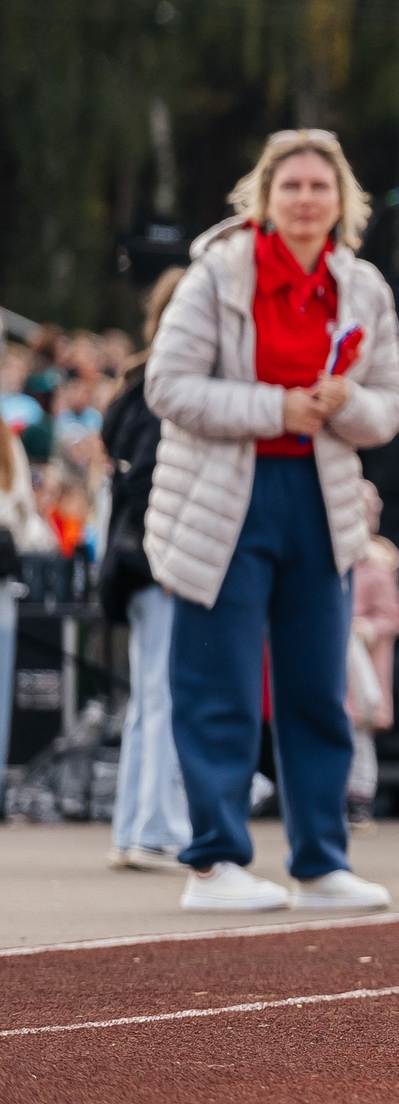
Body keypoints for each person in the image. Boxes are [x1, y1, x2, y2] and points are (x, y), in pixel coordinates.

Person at [145, 129, 399, 912]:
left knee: (318, 687)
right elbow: (168, 385)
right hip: (223, 498)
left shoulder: (363, 285)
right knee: (217, 681)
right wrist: (275, 406)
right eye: (290, 185)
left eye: (319, 187)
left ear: (342, 201)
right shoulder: (217, 275)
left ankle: (322, 858)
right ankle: (215, 861)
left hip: (320, 502)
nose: (304, 199)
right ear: (264, 197)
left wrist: (345, 403)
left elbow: (391, 405)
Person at [102, 268, 190, 873]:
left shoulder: (134, 385)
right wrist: (166, 553)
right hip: (157, 561)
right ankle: (155, 829)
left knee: (148, 696)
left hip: (132, 564)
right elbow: (149, 481)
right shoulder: (164, 387)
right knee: (166, 694)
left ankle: (135, 826)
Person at [345, 481, 399, 829]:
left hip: (361, 668)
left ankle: (360, 800)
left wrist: (365, 629)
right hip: (334, 666)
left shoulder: (376, 567)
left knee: (359, 737)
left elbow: (392, 616)